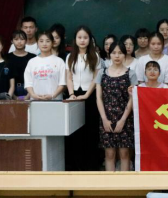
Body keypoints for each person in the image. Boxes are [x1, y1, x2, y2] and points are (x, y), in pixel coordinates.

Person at [65, 26, 103, 171]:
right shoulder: (70, 56)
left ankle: (91, 166)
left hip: (90, 95)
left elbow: (96, 78)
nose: (82, 40)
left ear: (90, 39)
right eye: (79, 37)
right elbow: (69, 78)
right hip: (74, 95)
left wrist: (87, 95)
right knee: (75, 131)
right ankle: (76, 166)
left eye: (85, 37)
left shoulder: (95, 57)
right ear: (75, 39)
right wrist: (71, 94)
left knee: (90, 131)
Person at [96, 41, 136, 172]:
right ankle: (110, 183)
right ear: (109, 54)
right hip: (106, 117)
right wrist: (104, 119)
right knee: (109, 154)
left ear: (125, 54)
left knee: (124, 154)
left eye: (120, 53)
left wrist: (123, 120)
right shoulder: (102, 73)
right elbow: (99, 98)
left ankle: (124, 183)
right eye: (114, 53)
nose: (117, 56)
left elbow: (132, 98)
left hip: (125, 118)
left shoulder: (131, 73)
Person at [24, 31, 67, 100]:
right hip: (35, 101)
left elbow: (62, 83)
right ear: (37, 43)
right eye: (41, 41)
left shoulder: (59, 61)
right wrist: (33, 95)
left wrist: (53, 96)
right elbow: (28, 83)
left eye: (48, 41)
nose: (44, 44)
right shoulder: (31, 62)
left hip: (55, 101)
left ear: (52, 43)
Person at [7, 30, 36, 98]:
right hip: (11, 90)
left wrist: (29, 95)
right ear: (12, 41)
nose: (19, 42)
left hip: (30, 90)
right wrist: (13, 96)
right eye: (16, 39)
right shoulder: (7, 57)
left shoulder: (33, 57)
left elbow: (35, 77)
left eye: (22, 39)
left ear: (26, 41)